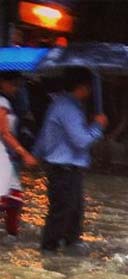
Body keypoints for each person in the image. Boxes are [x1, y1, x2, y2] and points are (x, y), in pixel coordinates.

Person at [33, 67, 107, 253]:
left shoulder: (64, 105)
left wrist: (35, 154)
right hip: (64, 170)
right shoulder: (68, 108)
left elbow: (44, 136)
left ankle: (63, 251)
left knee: (72, 216)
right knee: (62, 216)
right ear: (83, 87)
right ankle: (50, 252)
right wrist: (98, 126)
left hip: (65, 170)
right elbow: (81, 141)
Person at [0, 72, 38, 240]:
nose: (15, 88)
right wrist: (24, 153)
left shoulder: (8, 102)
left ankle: (11, 236)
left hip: (8, 157)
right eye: (13, 84)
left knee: (12, 199)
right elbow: (5, 132)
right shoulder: (3, 103)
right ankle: (11, 235)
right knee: (12, 199)